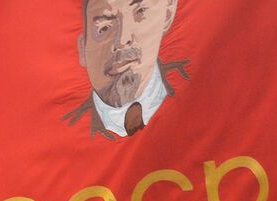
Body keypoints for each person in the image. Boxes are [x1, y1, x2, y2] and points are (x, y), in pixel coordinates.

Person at [65, 0, 186, 139]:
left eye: (140, 12)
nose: (122, 40)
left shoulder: (200, 96)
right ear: (83, 50)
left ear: (167, 14)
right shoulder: (64, 131)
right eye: (104, 28)